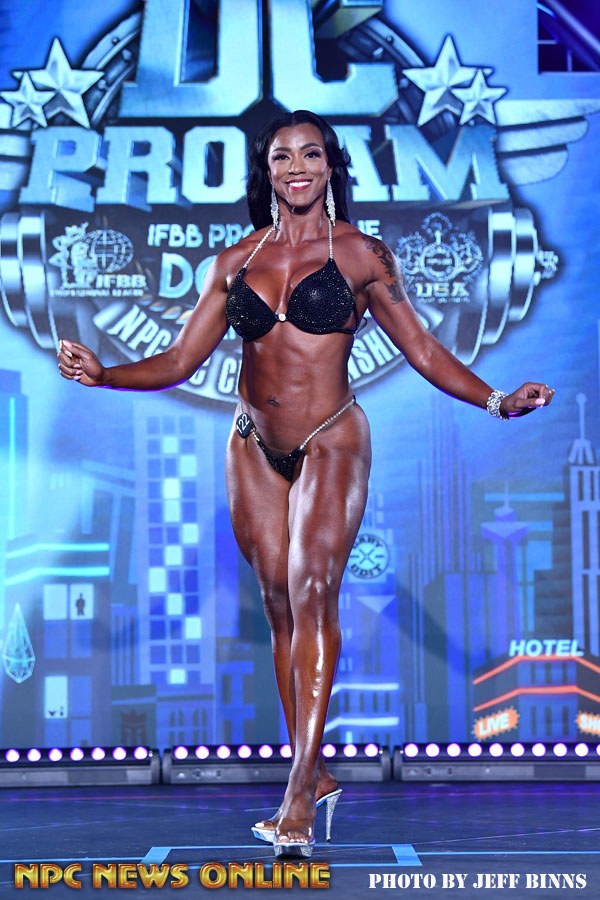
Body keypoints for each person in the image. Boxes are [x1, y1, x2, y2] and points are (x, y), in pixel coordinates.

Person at [57, 109, 554, 858]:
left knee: (314, 587)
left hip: (332, 436)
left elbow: (421, 349)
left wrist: (496, 400)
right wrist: (105, 374)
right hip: (253, 443)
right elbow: (181, 361)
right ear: (267, 171)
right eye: (283, 156)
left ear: (330, 167)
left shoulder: (361, 254)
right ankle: (314, 772)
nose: (297, 167)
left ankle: (295, 798)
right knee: (279, 605)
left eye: (311, 154)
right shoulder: (233, 261)